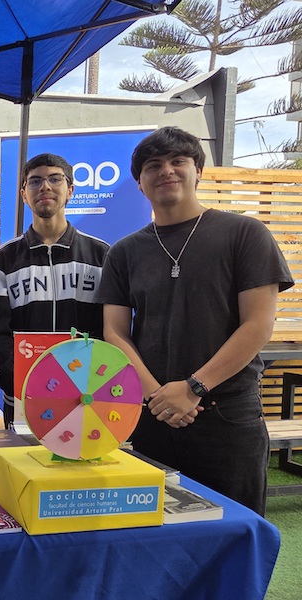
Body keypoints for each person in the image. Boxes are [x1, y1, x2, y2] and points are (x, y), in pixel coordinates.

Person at [98, 126, 294, 515]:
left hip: (227, 416)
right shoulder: (123, 252)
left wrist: (193, 387)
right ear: (139, 182)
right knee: (156, 534)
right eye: (153, 165)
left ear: (198, 171)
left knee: (234, 532)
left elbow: (258, 325)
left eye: (178, 161)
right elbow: (114, 332)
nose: (166, 171)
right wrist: (158, 396)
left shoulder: (244, 234)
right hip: (155, 417)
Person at [0, 153, 109, 428]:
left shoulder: (101, 254)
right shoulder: (3, 258)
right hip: (24, 394)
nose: (45, 187)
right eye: (35, 181)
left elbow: (109, 327)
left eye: (55, 179)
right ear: (23, 195)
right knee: (26, 456)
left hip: (86, 393)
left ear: (70, 190)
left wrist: (95, 376)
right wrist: (15, 374)